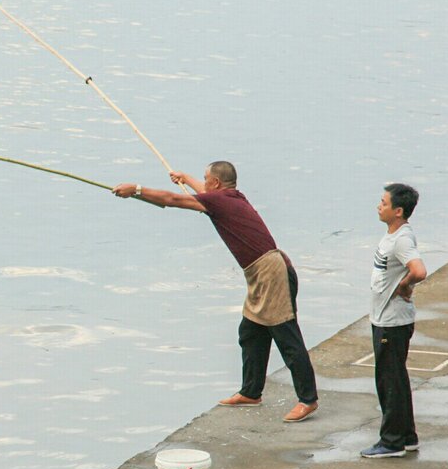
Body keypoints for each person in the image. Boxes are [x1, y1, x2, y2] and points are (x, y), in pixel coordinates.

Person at [112, 161, 319, 422]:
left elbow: (170, 199)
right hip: (261, 273)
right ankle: (251, 392)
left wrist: (137, 190)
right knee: (251, 332)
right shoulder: (229, 197)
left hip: (271, 274)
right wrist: (186, 178)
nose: (204, 183)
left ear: (216, 183)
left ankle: (308, 399)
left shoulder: (221, 201)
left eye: (205, 179)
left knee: (286, 337)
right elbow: (205, 196)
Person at [362, 183, 428, 458]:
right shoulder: (393, 235)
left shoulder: (401, 239)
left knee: (389, 382)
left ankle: (391, 442)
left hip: (392, 322)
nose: (379, 206)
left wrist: (404, 285)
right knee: (396, 380)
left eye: (384, 203)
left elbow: (419, 270)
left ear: (398, 211)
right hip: (385, 319)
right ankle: (407, 436)